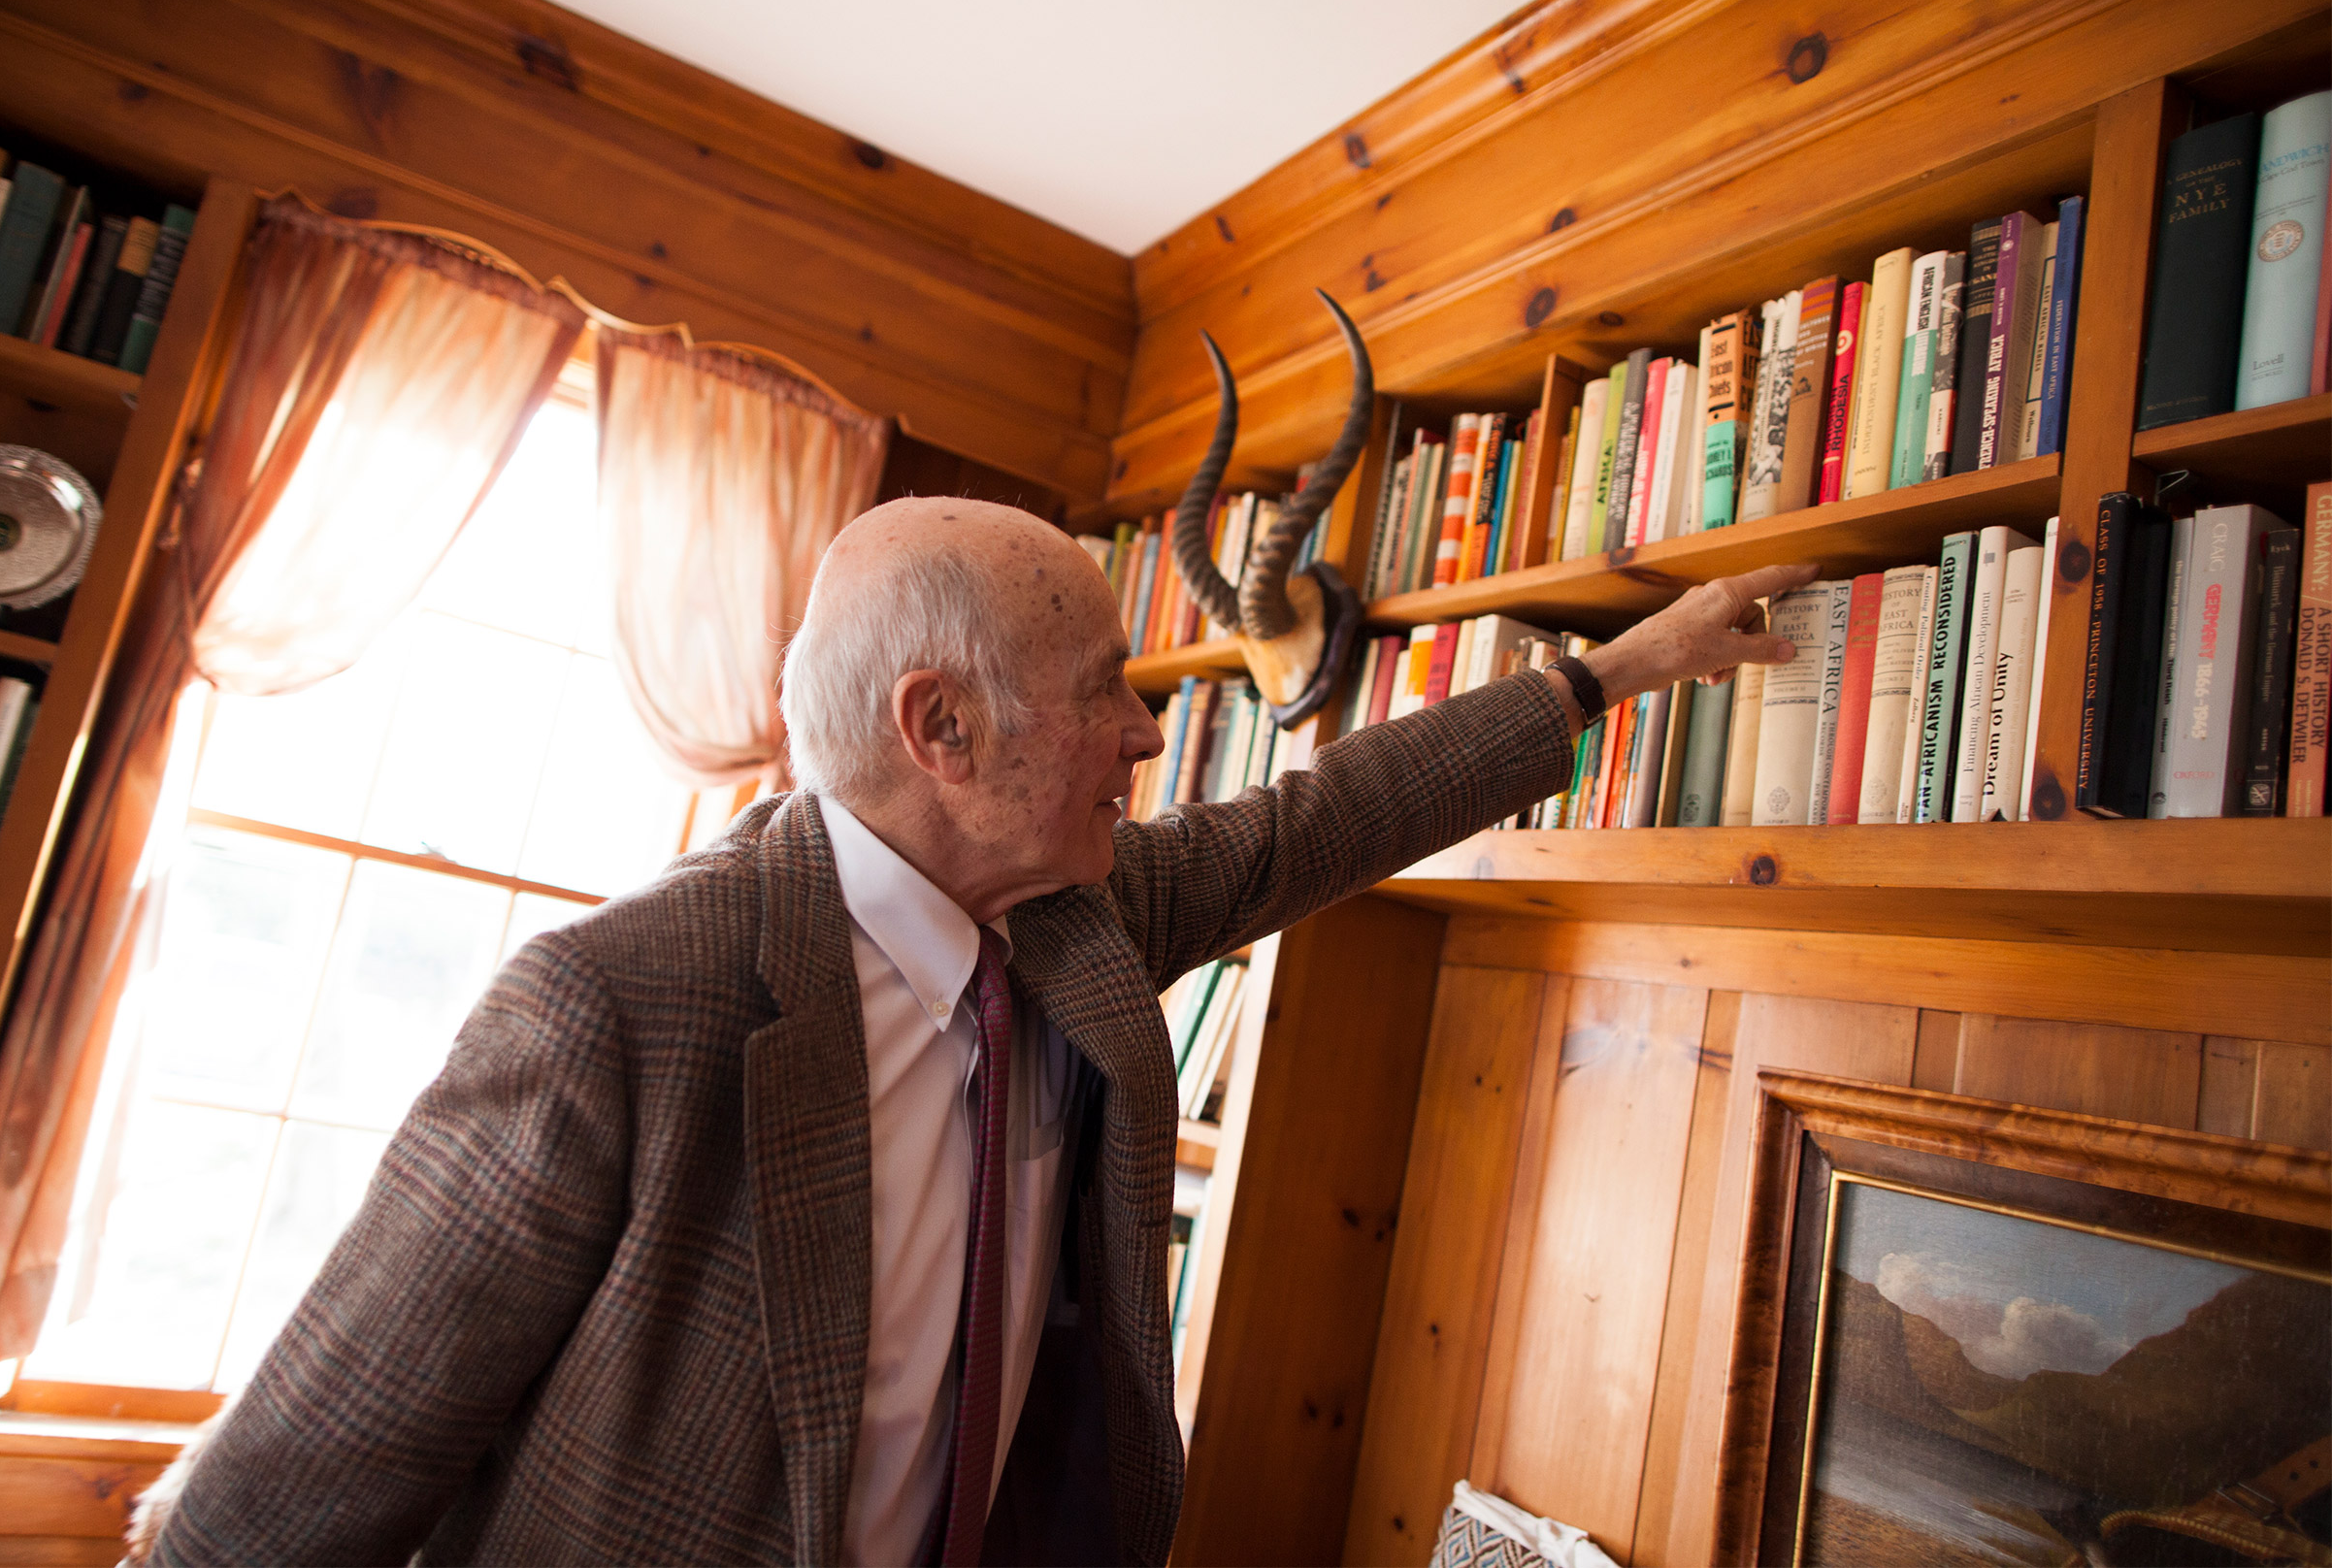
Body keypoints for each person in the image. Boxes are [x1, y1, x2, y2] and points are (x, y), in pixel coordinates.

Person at [135, 496, 1811, 1566]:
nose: (1149, 737)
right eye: (1104, 689)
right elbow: (305, 1478)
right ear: (938, 726)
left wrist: (1624, 670)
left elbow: (1329, 817)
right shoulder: (619, 1008)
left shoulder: (1081, 919)